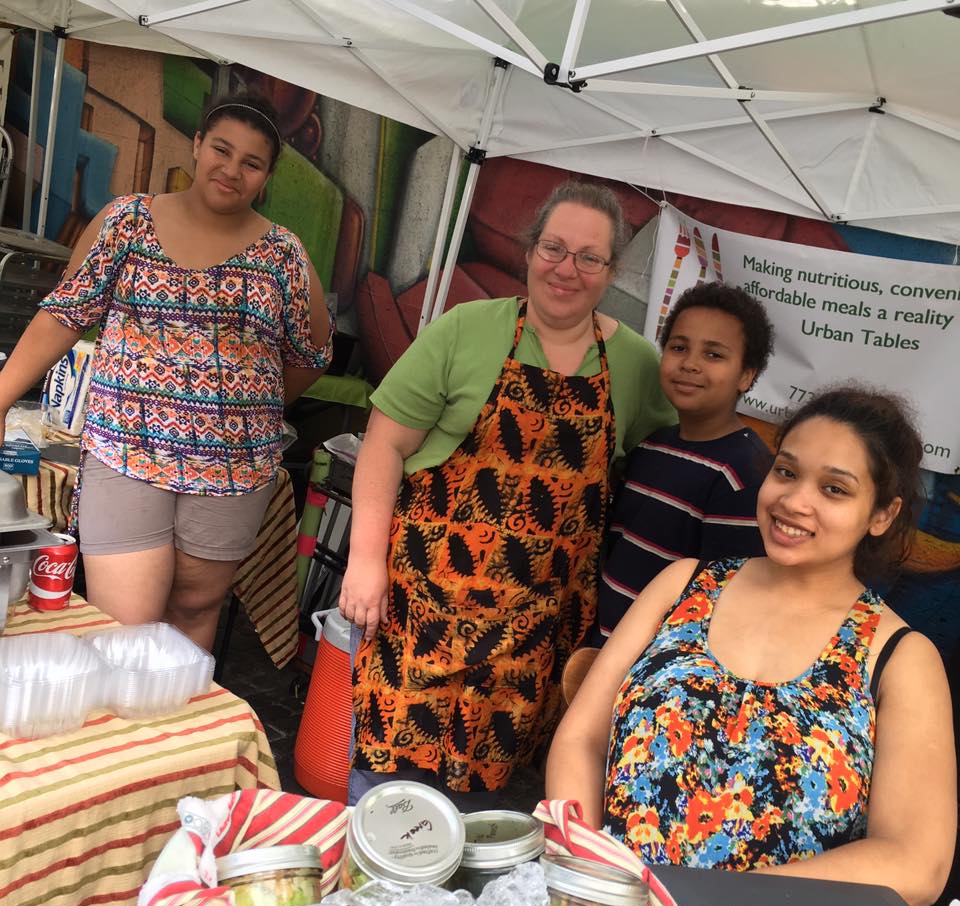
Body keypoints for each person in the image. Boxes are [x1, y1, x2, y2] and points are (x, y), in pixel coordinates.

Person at [546, 386, 955, 906]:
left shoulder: (899, 655)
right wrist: (587, 876)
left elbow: (916, 861)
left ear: (881, 514)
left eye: (834, 489)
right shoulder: (681, 585)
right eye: (786, 472)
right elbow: (582, 737)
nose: (794, 500)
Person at [338, 180, 677, 809]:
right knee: (388, 792)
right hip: (419, 606)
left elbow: (665, 465)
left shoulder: (634, 365)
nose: (565, 269)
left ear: (612, 271)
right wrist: (363, 562)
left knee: (481, 811)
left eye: (588, 257)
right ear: (528, 250)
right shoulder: (467, 329)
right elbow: (384, 444)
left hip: (530, 635)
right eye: (553, 247)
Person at [0, 95, 333, 651]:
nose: (232, 170)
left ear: (267, 176)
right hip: (126, 452)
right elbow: (64, 314)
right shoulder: (127, 222)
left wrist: (242, 410)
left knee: (194, 611)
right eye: (222, 150)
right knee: (126, 623)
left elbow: (310, 354)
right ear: (197, 146)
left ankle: (176, 731)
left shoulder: (285, 257)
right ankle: (126, 735)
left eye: (251, 163)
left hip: (233, 469)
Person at [595, 282, 774, 643]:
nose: (690, 364)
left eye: (714, 355)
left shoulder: (743, 474)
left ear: (746, 375)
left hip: (656, 669)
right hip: (601, 645)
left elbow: (722, 599)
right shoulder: (651, 446)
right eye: (679, 347)